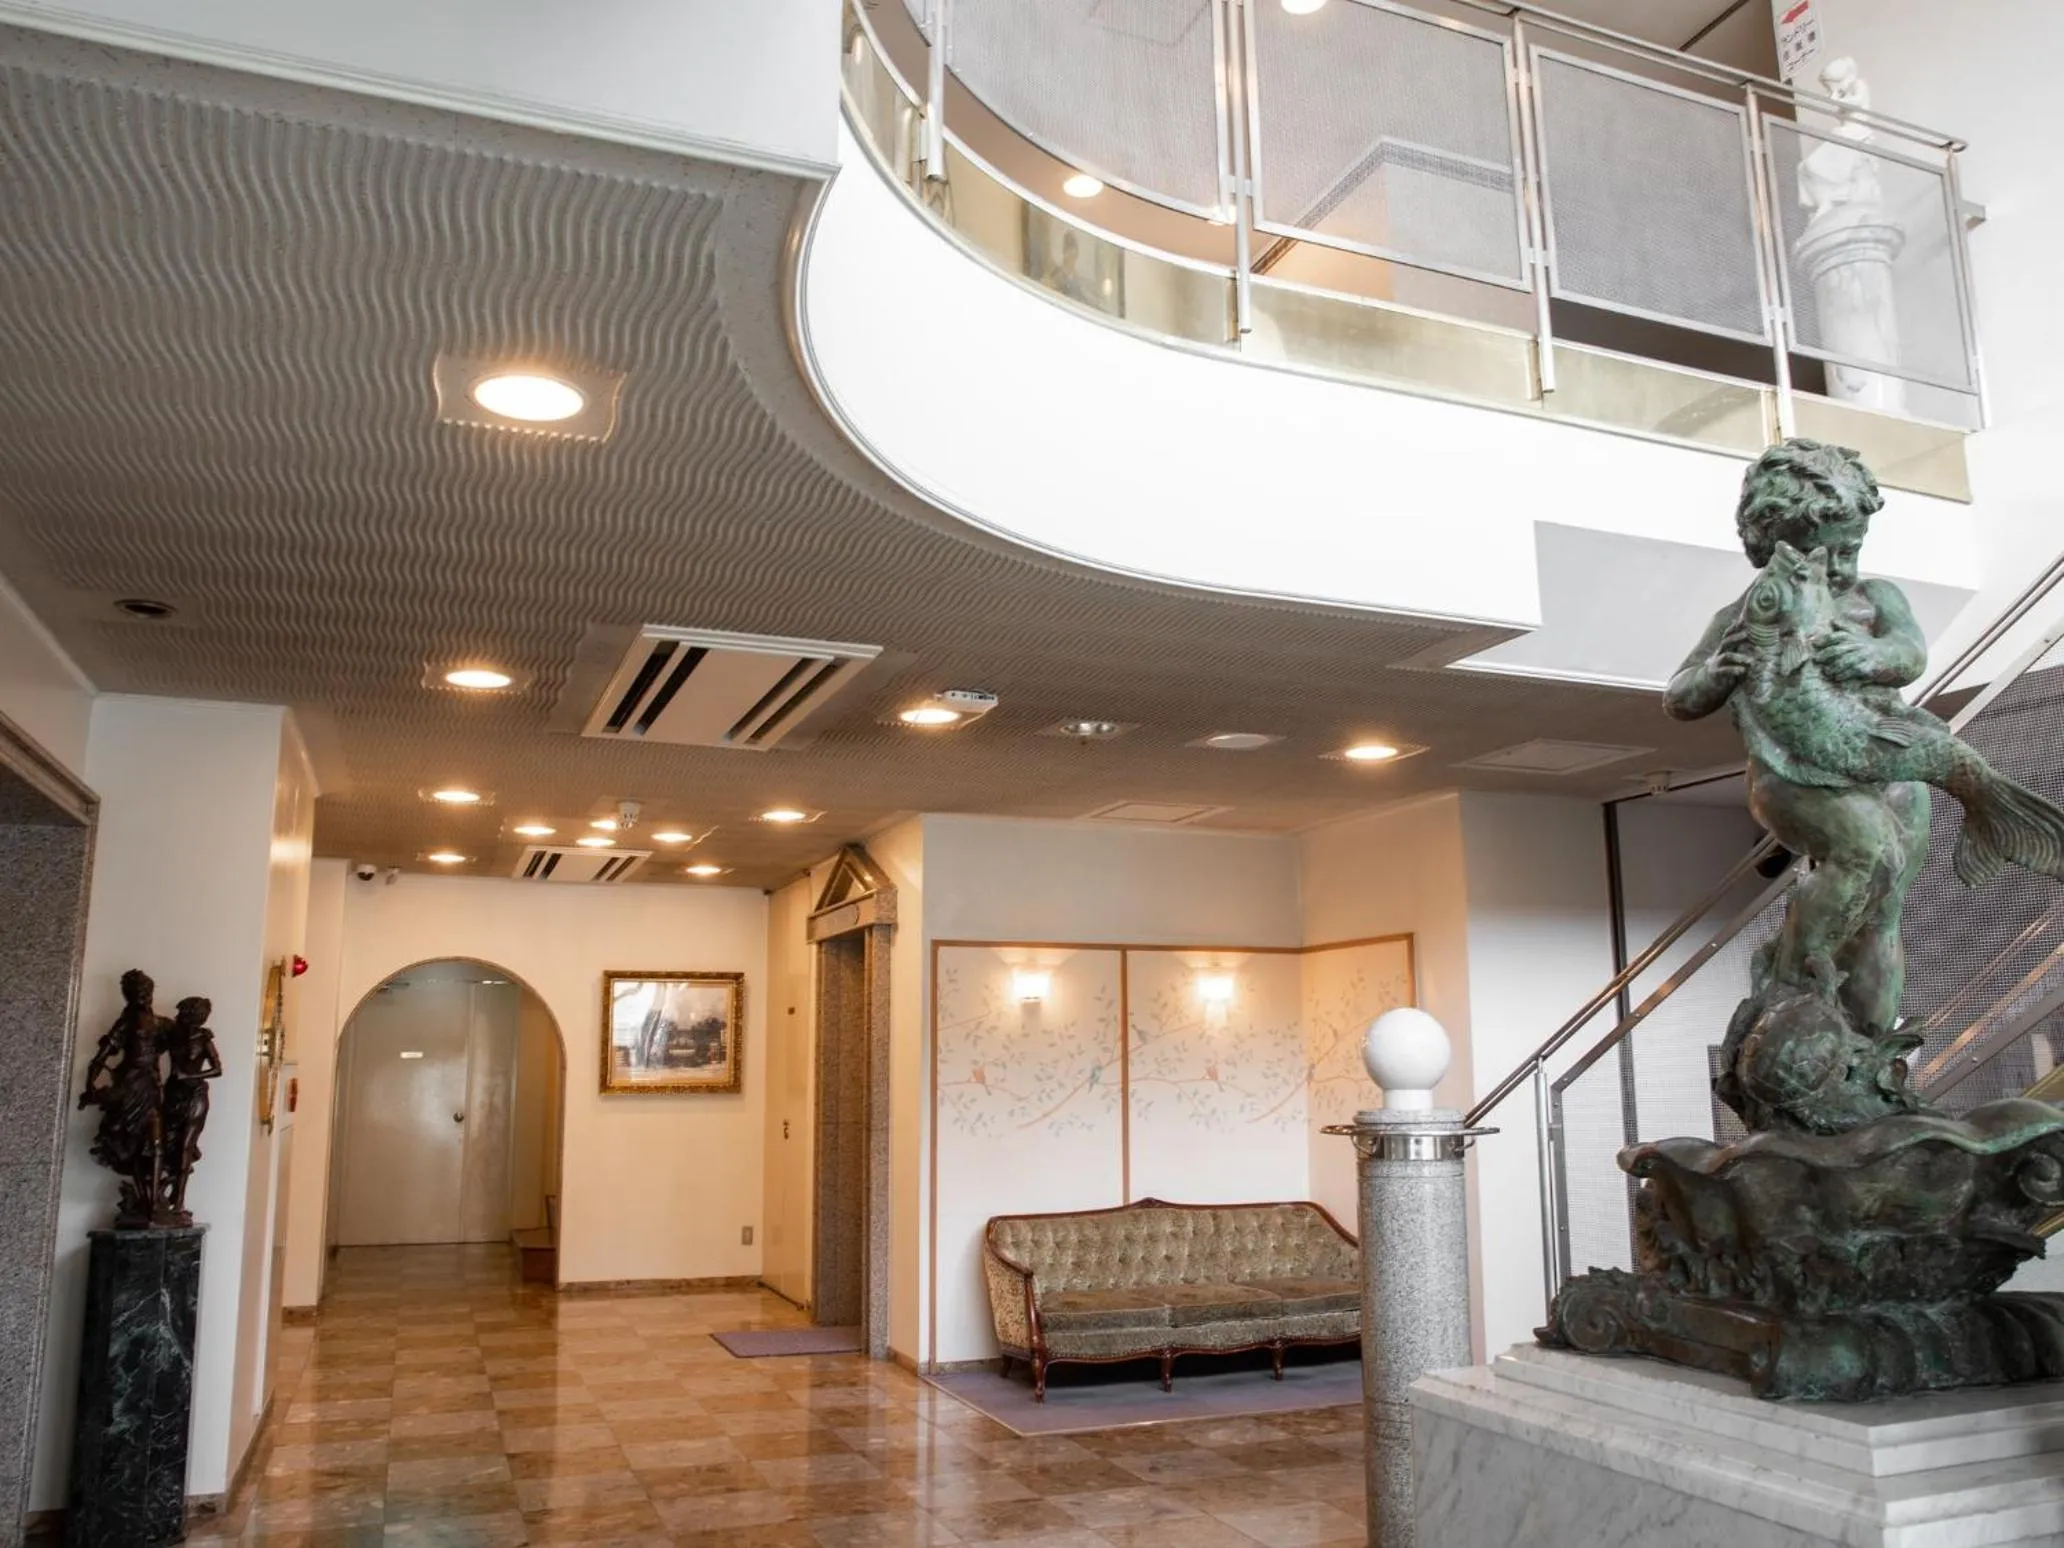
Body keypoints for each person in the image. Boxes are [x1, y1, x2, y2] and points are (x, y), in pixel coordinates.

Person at [1665, 439, 1929, 1043]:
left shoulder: (1875, 599)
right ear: (1772, 546)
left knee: (1882, 914)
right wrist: (1717, 674)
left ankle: (1868, 1049)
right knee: (1866, 850)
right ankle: (1791, 985)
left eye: (1851, 550)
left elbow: (1909, 652)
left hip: (1887, 763)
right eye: (1821, 552)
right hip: (1793, 772)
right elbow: (1679, 695)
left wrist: (1873, 653)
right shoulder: (1749, 612)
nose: (1838, 568)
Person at [161, 996, 222, 1222]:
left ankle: (179, 1202)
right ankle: (168, 1189)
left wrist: (191, 1076)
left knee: (186, 1146)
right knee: (167, 1142)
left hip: (195, 1096)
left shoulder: (204, 1039)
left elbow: (217, 1069)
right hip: (172, 1095)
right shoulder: (171, 1034)